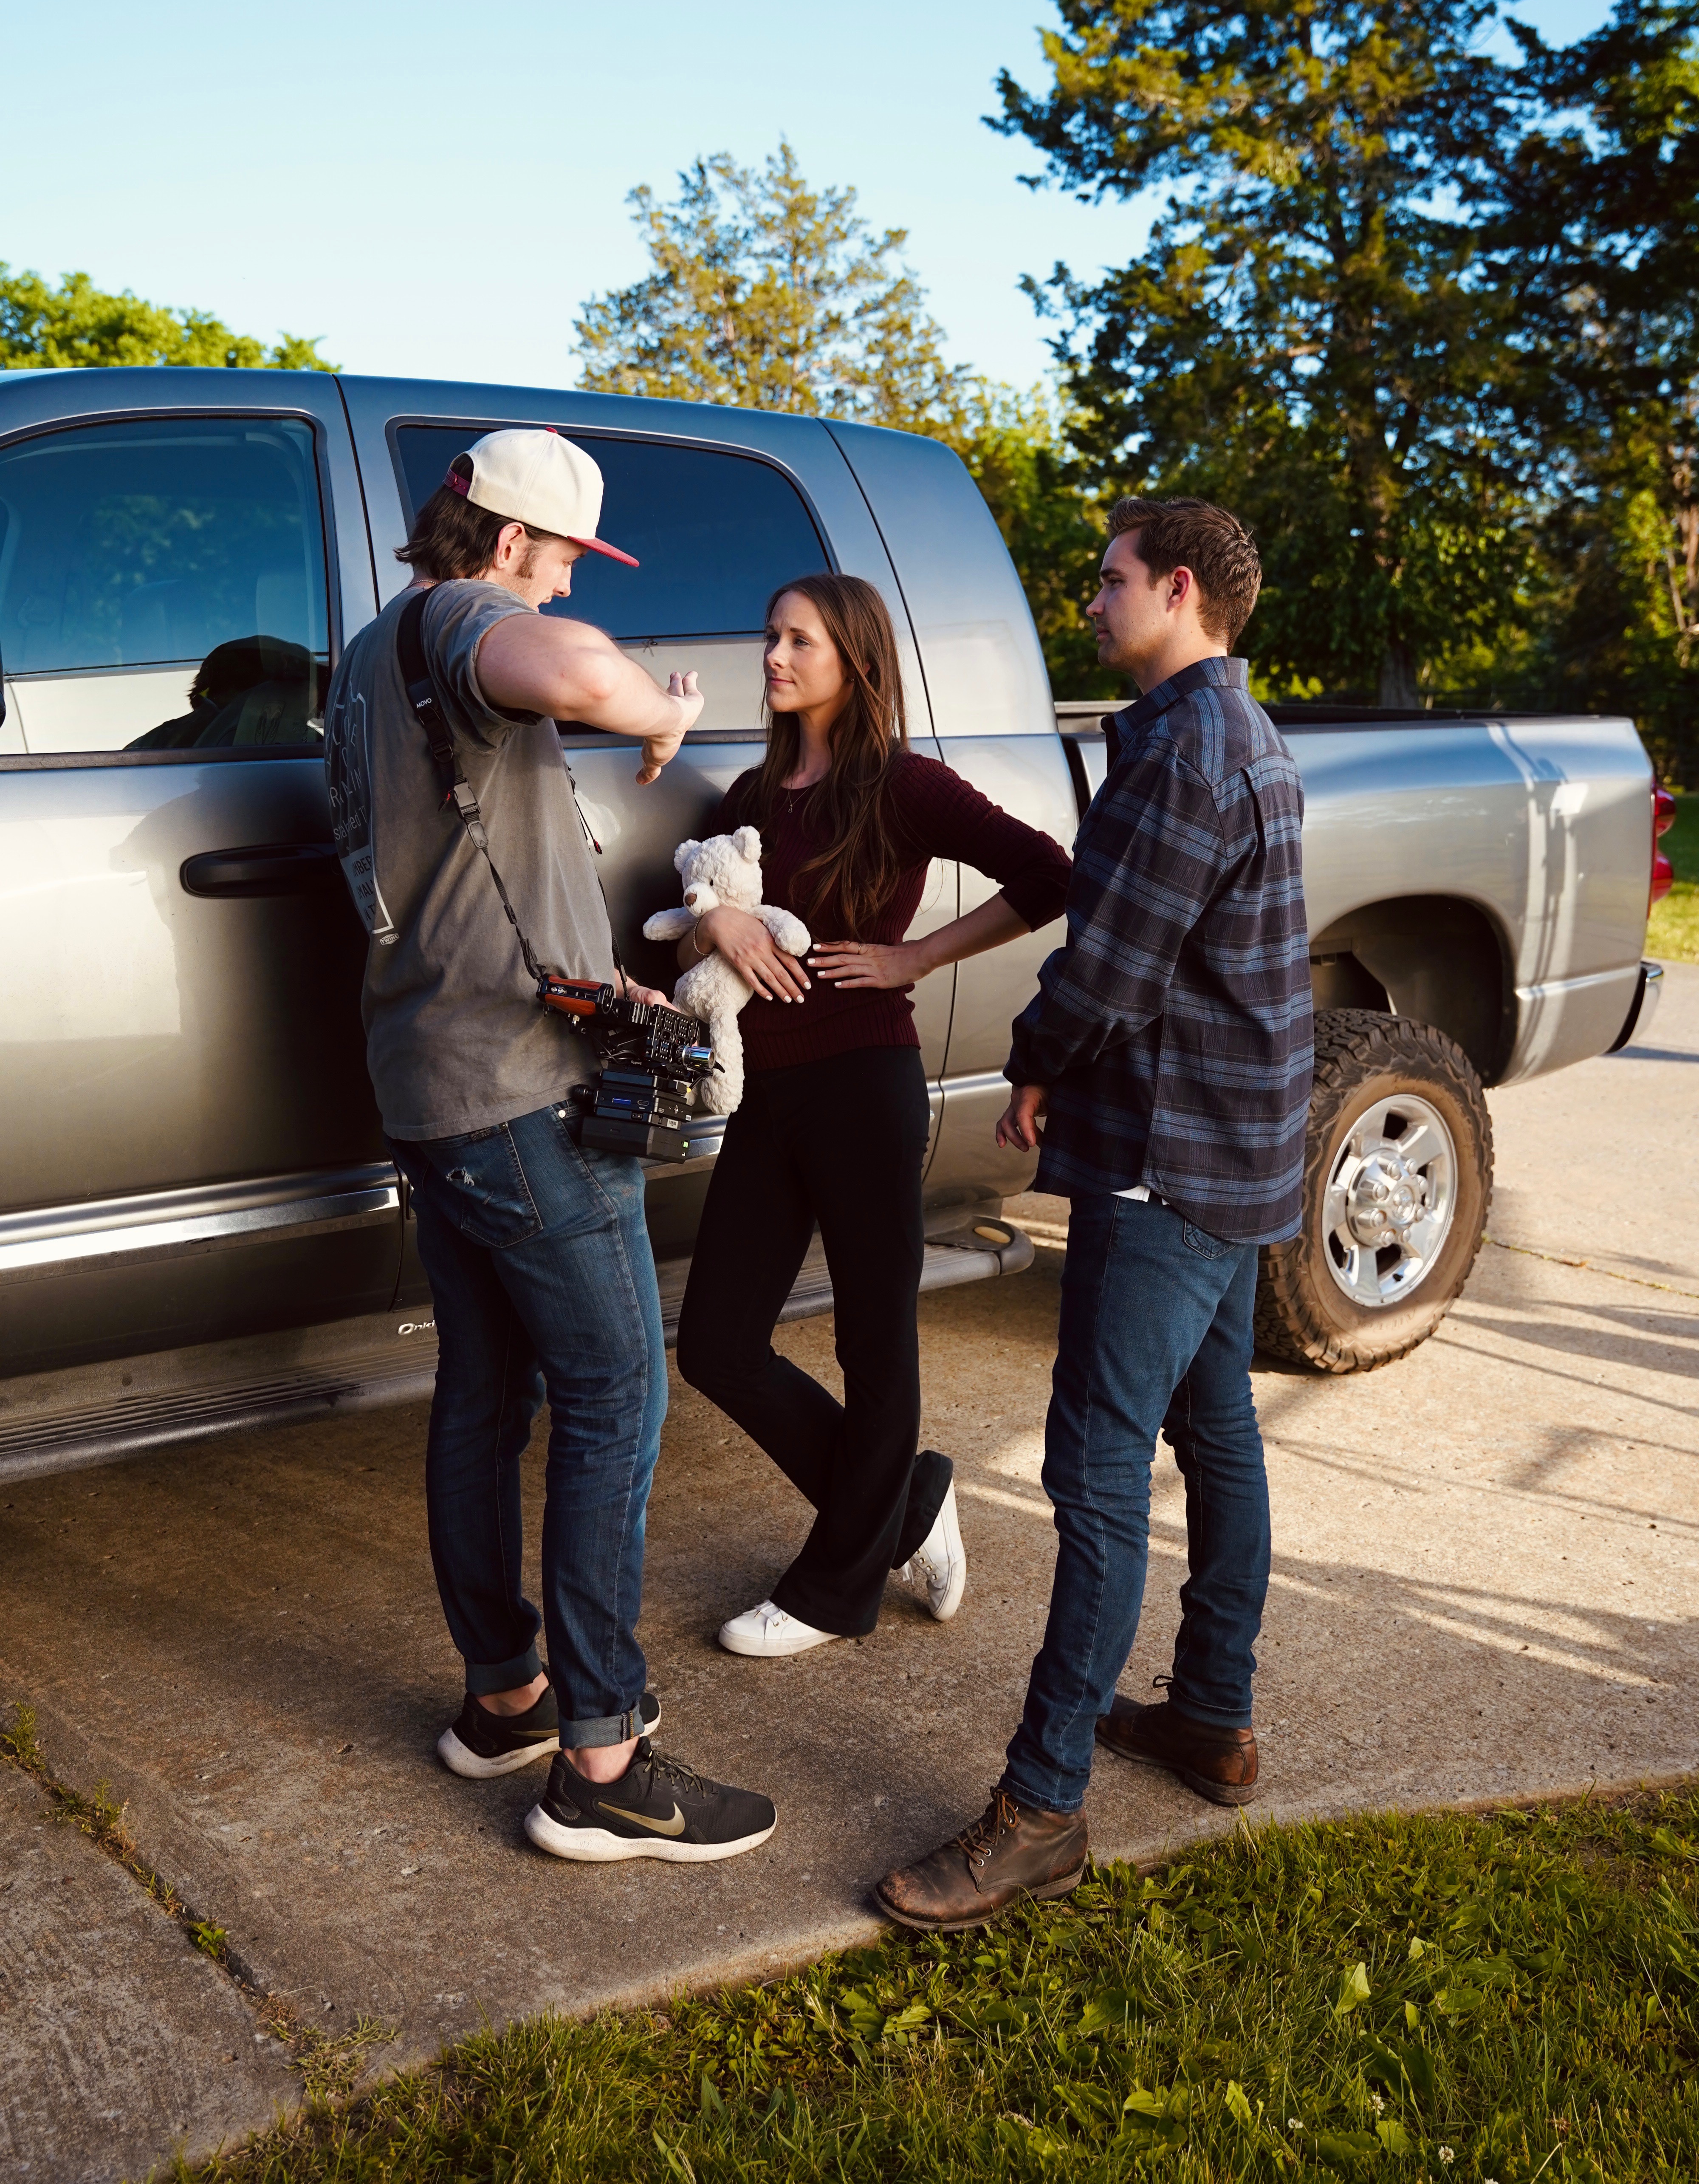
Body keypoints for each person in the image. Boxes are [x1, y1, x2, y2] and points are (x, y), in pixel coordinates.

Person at [324, 427, 776, 1865]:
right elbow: (569, 668)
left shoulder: (364, 655)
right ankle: (603, 1758)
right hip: (517, 1104)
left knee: (484, 1397)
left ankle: (504, 1692)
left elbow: (476, 880)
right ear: (512, 544)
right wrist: (652, 713)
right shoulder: (470, 621)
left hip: (431, 1082)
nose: (573, 577)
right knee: (614, 1400)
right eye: (569, 555)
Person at [875, 498, 1313, 1930]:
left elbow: (1113, 967)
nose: (1095, 599)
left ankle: (1043, 1804)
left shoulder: (1187, 752)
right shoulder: (1236, 734)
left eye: (1113, 579)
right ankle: (1210, 1715)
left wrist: (1036, 1066)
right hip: (1236, 1145)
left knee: (1099, 1469)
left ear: (1180, 588)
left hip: (1170, 1155)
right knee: (1217, 1427)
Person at [673, 572, 1072, 1658]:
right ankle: (905, 1504)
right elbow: (689, 916)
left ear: (853, 659)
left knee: (871, 1338)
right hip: (770, 1089)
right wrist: (712, 931)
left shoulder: (903, 785)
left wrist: (913, 957)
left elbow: (1046, 874)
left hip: (864, 1080)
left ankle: (830, 1590)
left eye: (797, 639)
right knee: (713, 1343)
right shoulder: (748, 802)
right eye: (769, 636)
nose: (772, 655)